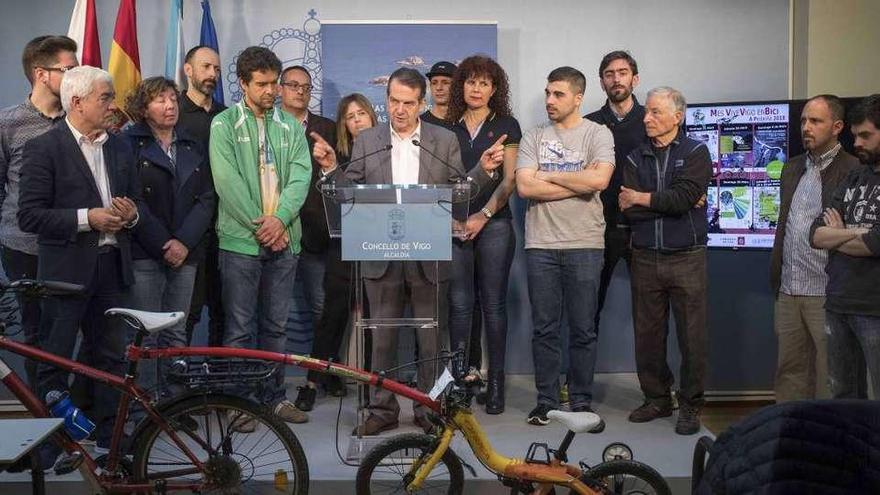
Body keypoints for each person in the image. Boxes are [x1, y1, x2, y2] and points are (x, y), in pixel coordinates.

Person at [310, 67, 502, 435]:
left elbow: (460, 190)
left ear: (422, 104)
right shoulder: (369, 139)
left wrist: (483, 170)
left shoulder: (443, 140)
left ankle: (429, 408)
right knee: (381, 337)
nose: (399, 110)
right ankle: (381, 410)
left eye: (408, 103)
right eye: (393, 101)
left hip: (428, 252)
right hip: (380, 253)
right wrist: (332, 169)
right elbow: (347, 192)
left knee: (432, 338)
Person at [18, 66, 142, 452]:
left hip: (112, 268)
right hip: (66, 272)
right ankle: (50, 444)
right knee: (55, 358)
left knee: (110, 359)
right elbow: (30, 215)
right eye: (105, 97)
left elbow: (136, 204)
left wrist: (131, 215)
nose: (113, 105)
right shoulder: (44, 147)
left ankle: (111, 437)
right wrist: (87, 218)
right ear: (77, 102)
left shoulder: (121, 145)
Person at [209, 46, 312, 427]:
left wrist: (280, 220)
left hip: (285, 241)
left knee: (277, 326)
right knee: (239, 328)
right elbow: (227, 182)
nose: (271, 91)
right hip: (241, 243)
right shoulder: (223, 124)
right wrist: (264, 227)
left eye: (274, 83)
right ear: (242, 84)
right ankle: (241, 403)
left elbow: (301, 177)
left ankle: (274, 399)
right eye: (263, 84)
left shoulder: (290, 126)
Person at [515, 67, 613, 429]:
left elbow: (600, 179)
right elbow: (525, 188)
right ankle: (546, 401)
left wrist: (548, 174)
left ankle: (582, 400)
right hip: (540, 244)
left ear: (577, 98)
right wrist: (579, 182)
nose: (550, 101)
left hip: (585, 244)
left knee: (583, 328)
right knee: (545, 328)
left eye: (558, 94)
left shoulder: (597, 133)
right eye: (547, 93)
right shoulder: (533, 136)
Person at [619, 86, 712, 435]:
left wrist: (645, 198)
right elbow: (629, 209)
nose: (647, 118)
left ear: (678, 116)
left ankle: (690, 405)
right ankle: (657, 399)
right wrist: (666, 202)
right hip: (644, 256)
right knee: (647, 335)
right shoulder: (635, 156)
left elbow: (684, 197)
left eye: (656, 112)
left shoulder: (696, 151)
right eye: (647, 112)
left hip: (687, 257)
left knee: (693, 337)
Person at [122, 76, 215, 397]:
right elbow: (131, 200)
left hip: (186, 254)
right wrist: (165, 244)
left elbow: (207, 198)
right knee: (146, 336)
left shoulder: (192, 143)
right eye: (160, 100)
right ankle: (143, 406)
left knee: (176, 334)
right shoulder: (127, 143)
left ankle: (173, 405)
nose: (170, 105)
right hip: (146, 253)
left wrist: (184, 243)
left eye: (173, 99)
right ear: (144, 108)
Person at [0, 35, 78, 389]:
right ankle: (45, 424)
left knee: (74, 333)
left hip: (73, 243)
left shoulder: (77, 123)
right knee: (36, 338)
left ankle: (75, 414)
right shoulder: (9, 123)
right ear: (41, 73)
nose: (76, 77)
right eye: (69, 70)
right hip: (24, 246)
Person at [770, 95, 858, 402]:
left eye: (815, 121)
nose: (806, 127)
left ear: (837, 127)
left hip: (827, 291)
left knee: (830, 377)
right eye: (804, 120)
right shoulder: (792, 167)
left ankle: (827, 446)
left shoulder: (854, 170)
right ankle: (791, 437)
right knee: (790, 372)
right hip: (789, 289)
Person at [446, 55, 521, 414]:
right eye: (470, 82)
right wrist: (458, 218)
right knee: (460, 307)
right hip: (453, 227)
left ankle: (496, 384)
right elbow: (445, 182)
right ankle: (461, 382)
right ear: (461, 85)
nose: (476, 89)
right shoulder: (445, 125)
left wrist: (484, 214)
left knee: (493, 306)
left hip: (496, 226)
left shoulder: (506, 124)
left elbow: (509, 180)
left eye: (484, 83)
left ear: (495, 88)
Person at [295, 93, 377, 411]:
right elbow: (333, 204)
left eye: (361, 114)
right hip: (342, 245)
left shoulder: (390, 153)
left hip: (378, 247)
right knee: (331, 318)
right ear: (343, 124)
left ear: (372, 116)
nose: (357, 120)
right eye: (350, 116)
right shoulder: (336, 155)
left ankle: (373, 388)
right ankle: (312, 383)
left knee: (374, 318)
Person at [811, 94, 880, 400]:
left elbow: (875, 243)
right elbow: (815, 233)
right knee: (843, 397)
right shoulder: (855, 175)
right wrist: (857, 233)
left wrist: (840, 234)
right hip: (838, 303)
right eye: (855, 136)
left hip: (874, 309)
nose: (857, 143)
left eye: (866, 135)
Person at [278, 65, 338, 412]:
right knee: (275, 314)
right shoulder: (268, 125)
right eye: (293, 85)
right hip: (277, 231)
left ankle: (321, 374)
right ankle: (271, 383)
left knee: (321, 308)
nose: (300, 91)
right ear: (281, 89)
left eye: (306, 86)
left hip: (316, 232)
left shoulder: (325, 128)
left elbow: (337, 175)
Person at [584, 51, 646, 331]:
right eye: (609, 74)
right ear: (601, 82)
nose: (616, 79)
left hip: (643, 226)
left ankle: (652, 377)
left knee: (649, 314)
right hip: (597, 226)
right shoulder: (588, 124)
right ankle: (579, 376)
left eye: (622, 73)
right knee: (587, 310)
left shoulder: (651, 120)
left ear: (635, 79)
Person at [179, 45, 226, 347]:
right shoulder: (174, 114)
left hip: (227, 228)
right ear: (188, 70)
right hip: (188, 230)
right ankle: (179, 387)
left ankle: (220, 386)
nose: (212, 74)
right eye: (206, 67)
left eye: (217, 69)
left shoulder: (228, 116)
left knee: (225, 312)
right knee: (187, 311)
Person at [421, 61, 456, 127]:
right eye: (434, 83)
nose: (438, 88)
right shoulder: (419, 124)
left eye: (445, 83)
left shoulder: (468, 122)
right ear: (430, 86)